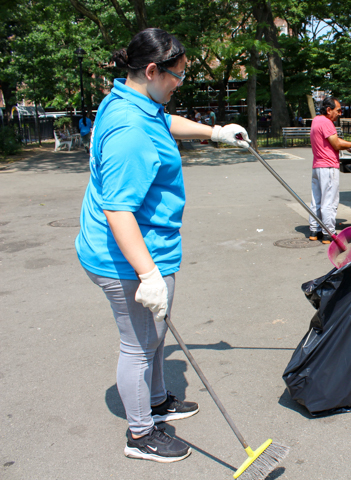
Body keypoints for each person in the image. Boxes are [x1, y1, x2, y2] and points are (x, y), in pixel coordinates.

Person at [75, 28, 249, 463]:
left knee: (152, 337)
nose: (180, 83)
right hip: (125, 257)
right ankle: (141, 435)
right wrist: (149, 275)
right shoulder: (129, 130)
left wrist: (215, 133)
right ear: (151, 70)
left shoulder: (136, 100)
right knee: (139, 344)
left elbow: (165, 121)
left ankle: (156, 401)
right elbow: (118, 210)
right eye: (177, 76)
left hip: (147, 246)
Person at [308, 96, 351, 243]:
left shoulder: (316, 121)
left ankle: (314, 230)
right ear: (328, 110)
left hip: (317, 165)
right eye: (338, 110)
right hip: (328, 166)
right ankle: (328, 233)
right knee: (329, 201)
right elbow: (336, 143)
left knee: (316, 200)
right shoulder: (327, 122)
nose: (340, 113)